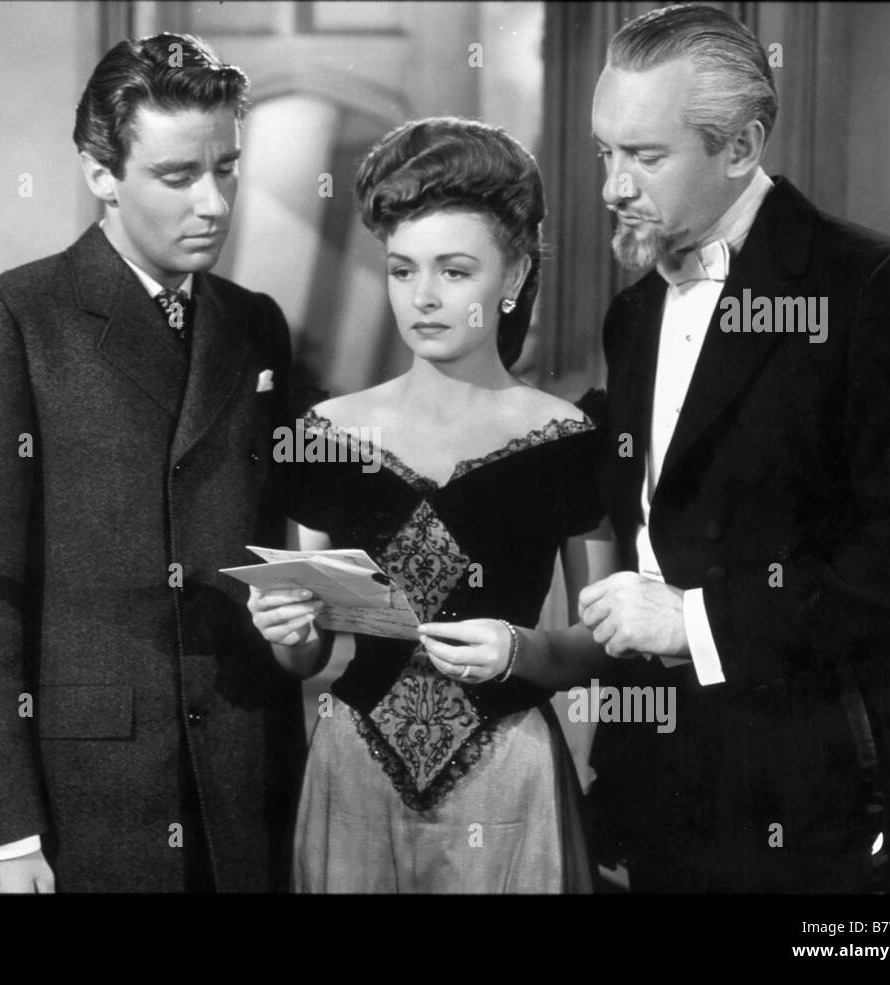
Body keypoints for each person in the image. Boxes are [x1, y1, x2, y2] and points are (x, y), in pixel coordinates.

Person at [581, 3, 890, 892]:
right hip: (660, 792)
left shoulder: (879, 288)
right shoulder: (633, 313)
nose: (612, 185)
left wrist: (697, 622)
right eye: (605, 152)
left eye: (644, 156)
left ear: (742, 146)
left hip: (827, 795)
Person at [0, 33, 302, 892]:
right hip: (85, 799)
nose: (214, 203)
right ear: (100, 172)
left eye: (227, 168)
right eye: (178, 176)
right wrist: (1, 837)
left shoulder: (257, 325)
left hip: (245, 781)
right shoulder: (6, 321)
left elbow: (275, 552)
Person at [248, 117, 615, 893]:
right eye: (401, 269)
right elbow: (306, 654)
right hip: (353, 774)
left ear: (513, 276)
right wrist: (289, 631)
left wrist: (519, 649)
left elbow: (602, 640)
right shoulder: (324, 434)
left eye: (454, 271)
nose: (423, 298)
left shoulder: (572, 439)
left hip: (509, 773)